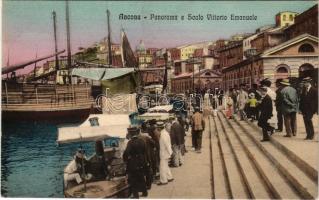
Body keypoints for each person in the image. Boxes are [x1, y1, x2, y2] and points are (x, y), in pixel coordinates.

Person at [123, 127, 148, 198]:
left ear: (130, 134)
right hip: (142, 162)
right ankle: (145, 193)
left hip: (133, 163)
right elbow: (145, 151)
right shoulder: (142, 141)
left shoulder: (130, 143)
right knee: (142, 178)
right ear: (136, 133)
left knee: (133, 180)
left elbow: (126, 153)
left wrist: (125, 160)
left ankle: (136, 196)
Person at [157, 121, 174, 185]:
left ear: (159, 128)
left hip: (164, 153)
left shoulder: (163, 134)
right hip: (166, 153)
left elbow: (167, 145)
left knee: (162, 167)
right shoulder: (165, 133)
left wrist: (171, 152)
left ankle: (163, 180)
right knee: (166, 166)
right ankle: (169, 177)